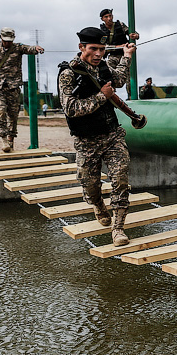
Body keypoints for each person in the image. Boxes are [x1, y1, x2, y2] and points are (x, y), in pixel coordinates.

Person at [57, 27, 136, 246]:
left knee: (120, 180)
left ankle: (118, 229)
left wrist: (127, 56)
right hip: (86, 141)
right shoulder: (69, 73)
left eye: (102, 49)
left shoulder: (103, 67)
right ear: (81, 47)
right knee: (90, 186)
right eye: (93, 49)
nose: (99, 54)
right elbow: (71, 108)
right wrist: (102, 96)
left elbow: (119, 80)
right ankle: (98, 205)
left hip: (112, 135)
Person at [0, 27, 44, 152]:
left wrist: (36, 48)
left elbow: (28, 49)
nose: (8, 43)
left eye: (10, 40)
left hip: (13, 87)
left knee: (13, 116)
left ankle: (10, 141)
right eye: (5, 40)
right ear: (1, 37)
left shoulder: (17, 48)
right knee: (1, 110)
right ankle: (3, 139)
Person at [99, 9, 139, 97]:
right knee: (107, 75)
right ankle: (111, 96)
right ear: (102, 19)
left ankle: (131, 97)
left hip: (125, 55)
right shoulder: (101, 32)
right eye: (106, 17)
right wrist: (118, 46)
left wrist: (135, 35)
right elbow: (103, 47)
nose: (109, 18)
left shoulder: (120, 25)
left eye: (110, 16)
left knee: (130, 79)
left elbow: (132, 33)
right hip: (112, 57)